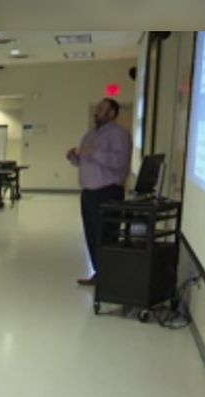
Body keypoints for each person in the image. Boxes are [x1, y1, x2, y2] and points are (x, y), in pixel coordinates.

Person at [66, 97, 132, 286]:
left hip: (107, 193)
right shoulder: (90, 135)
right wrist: (74, 157)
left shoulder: (119, 134)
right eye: (96, 108)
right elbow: (84, 161)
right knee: (92, 235)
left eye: (101, 109)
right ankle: (99, 273)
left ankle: (110, 276)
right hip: (89, 194)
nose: (97, 112)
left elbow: (119, 162)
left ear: (112, 113)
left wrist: (94, 153)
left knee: (106, 235)